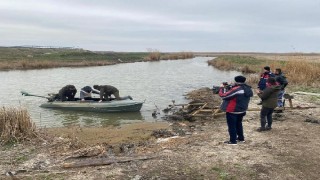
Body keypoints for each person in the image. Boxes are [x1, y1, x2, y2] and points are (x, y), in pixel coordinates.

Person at [219, 75, 253, 145]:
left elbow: (224, 96)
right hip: (242, 110)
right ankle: (241, 138)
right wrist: (230, 86)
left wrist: (221, 88)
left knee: (232, 126)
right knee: (239, 124)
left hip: (233, 110)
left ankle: (233, 141)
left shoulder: (237, 89)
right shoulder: (247, 88)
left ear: (236, 81)